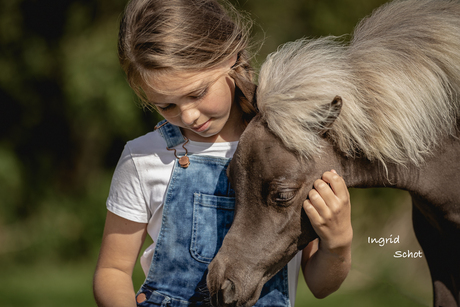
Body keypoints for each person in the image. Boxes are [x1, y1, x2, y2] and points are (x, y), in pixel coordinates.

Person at [93, 0, 353, 306]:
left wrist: (338, 243)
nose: (187, 115)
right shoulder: (144, 158)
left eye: (197, 93)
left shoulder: (290, 147)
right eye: (167, 105)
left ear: (231, 56)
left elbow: (320, 285)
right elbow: (113, 270)